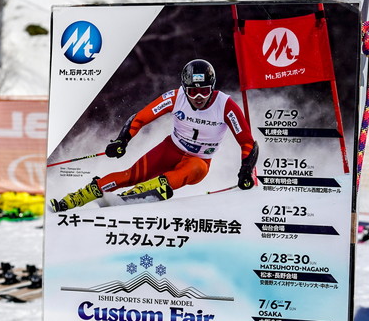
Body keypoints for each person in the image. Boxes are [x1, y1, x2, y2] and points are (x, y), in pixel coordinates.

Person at [51, 59, 258, 212]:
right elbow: (140, 117)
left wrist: (245, 171)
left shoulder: (225, 105)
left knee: (195, 167)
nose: (198, 97)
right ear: (184, 88)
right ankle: (70, 201)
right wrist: (122, 140)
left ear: (212, 87)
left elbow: (247, 142)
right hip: (170, 150)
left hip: (198, 162)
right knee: (130, 175)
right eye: (192, 91)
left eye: (204, 91)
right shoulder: (176, 97)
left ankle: (137, 194)